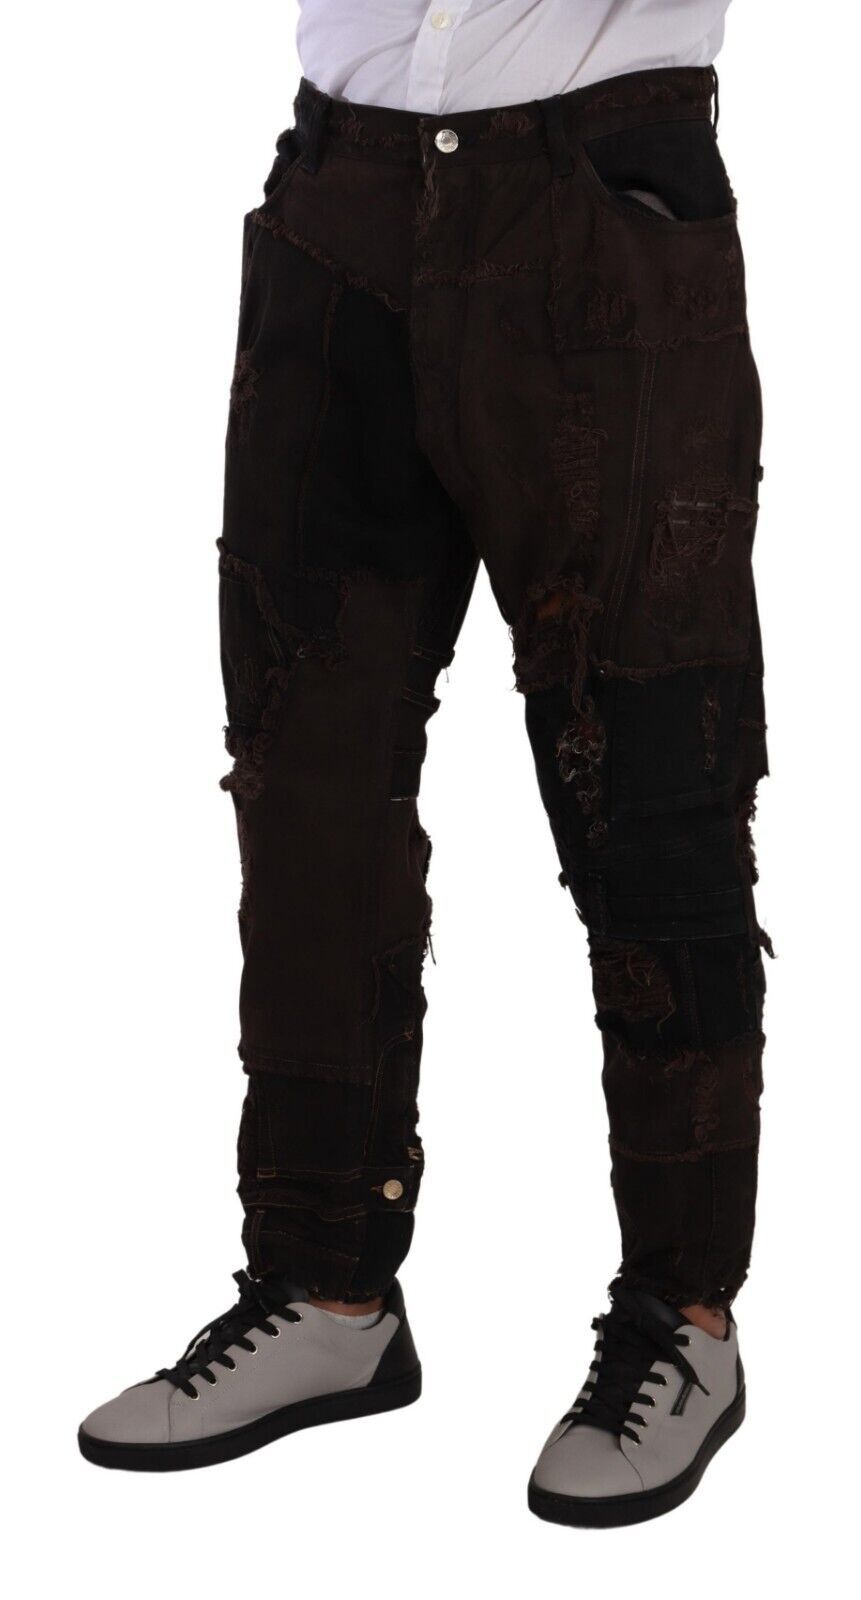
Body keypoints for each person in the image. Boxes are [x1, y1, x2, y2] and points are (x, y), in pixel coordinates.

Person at [79, 0, 769, 1527]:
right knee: (304, 780)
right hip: (338, 196)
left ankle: (684, 1318)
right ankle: (324, 1290)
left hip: (599, 201)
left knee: (651, 772)